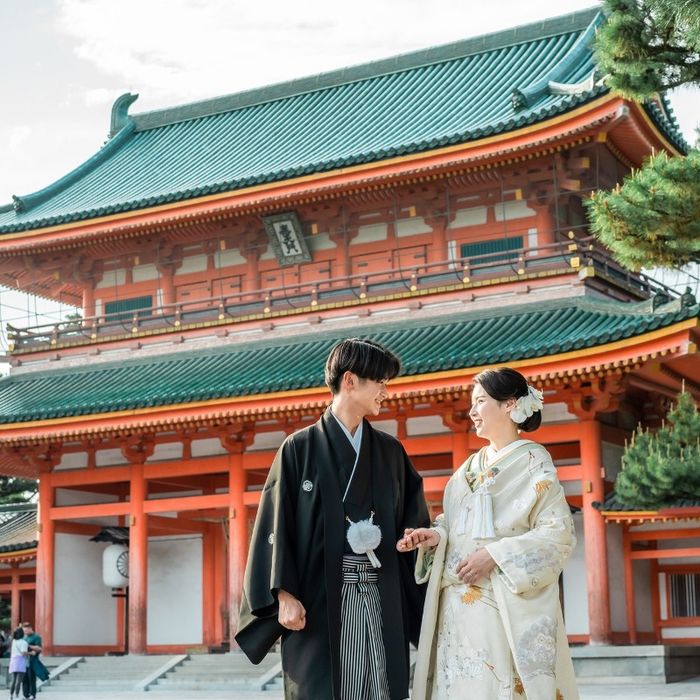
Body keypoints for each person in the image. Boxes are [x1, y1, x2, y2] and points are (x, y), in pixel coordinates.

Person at [236, 338, 430, 699]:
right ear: (350, 381)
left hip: (381, 591)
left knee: (381, 686)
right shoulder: (299, 448)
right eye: (380, 382)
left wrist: (414, 538)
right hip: (319, 598)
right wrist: (283, 594)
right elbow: (275, 527)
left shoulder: (390, 452)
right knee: (324, 688)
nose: (386, 392)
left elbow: (414, 519)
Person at [397, 367, 578, 700]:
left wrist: (495, 555)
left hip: (500, 605)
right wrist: (436, 537)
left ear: (510, 405)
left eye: (480, 401)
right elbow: (453, 524)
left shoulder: (534, 463)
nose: (472, 411)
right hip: (457, 610)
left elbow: (557, 534)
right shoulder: (466, 470)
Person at [21, 623, 47, 700]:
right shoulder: (24, 637)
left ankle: (32, 694)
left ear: (30, 628)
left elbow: (39, 648)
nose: (25, 632)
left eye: (26, 630)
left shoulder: (36, 637)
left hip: (32, 660)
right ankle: (26, 695)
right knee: (24, 678)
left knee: (31, 677)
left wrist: (29, 646)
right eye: (24, 631)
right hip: (24, 661)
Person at [8, 628, 27, 700]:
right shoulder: (24, 642)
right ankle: (17, 695)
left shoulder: (13, 641)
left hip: (13, 661)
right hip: (20, 661)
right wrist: (30, 653)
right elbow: (23, 653)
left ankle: (11, 695)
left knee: (13, 680)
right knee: (18, 680)